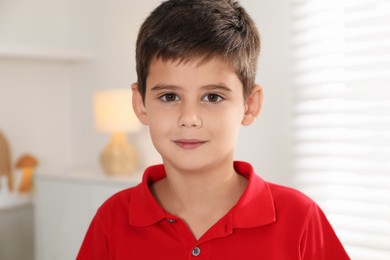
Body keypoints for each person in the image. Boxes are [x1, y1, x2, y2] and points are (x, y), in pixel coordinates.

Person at [77, 0, 350, 259]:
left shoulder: (300, 218)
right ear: (141, 104)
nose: (190, 118)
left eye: (213, 97)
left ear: (250, 105)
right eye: (170, 96)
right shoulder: (112, 219)